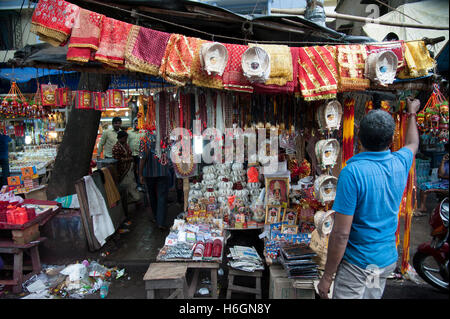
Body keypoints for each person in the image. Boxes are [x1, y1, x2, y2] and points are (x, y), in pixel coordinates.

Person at [317, 98, 420, 299]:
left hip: (358, 266)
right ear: (391, 140)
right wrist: (412, 113)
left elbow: (340, 234)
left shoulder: (352, 173)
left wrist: (327, 277)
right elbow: (412, 143)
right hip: (383, 262)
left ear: (359, 137)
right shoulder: (400, 162)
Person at [138, 131, 172, 230]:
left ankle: (156, 218)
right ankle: (160, 222)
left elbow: (142, 158)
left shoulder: (145, 140)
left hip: (149, 173)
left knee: (152, 196)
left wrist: (140, 174)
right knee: (162, 196)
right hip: (163, 171)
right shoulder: (165, 138)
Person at [415, 143, 449, 215]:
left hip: (447, 185)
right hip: (443, 184)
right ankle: (423, 207)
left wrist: (443, 176)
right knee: (424, 186)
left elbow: (441, 175)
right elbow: (440, 174)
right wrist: (443, 161)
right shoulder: (446, 162)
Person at [127, 118, 145, 191]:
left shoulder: (143, 132)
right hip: (131, 155)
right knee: (132, 170)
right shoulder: (129, 132)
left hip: (140, 155)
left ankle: (140, 184)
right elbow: (126, 143)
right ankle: (134, 186)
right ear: (133, 123)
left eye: (138, 122)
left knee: (140, 170)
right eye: (135, 122)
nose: (136, 124)